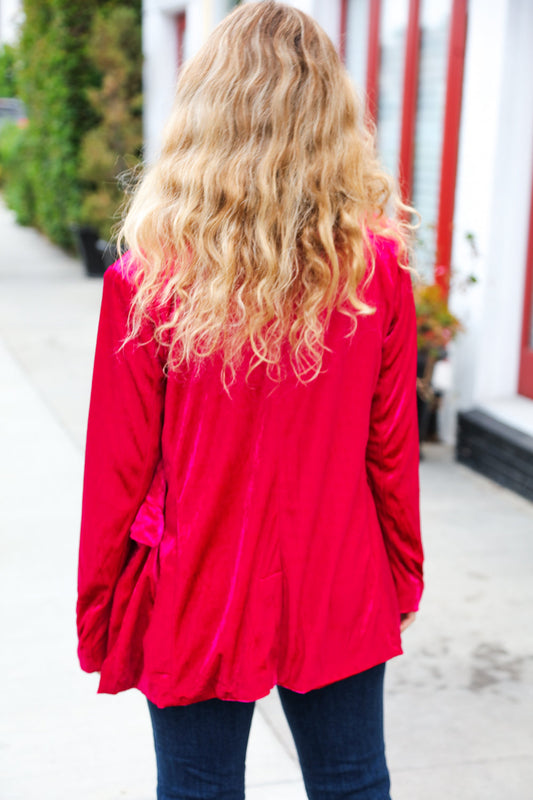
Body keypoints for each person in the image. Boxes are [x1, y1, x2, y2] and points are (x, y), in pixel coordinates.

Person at [76, 2, 424, 799]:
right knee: (351, 782)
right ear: (328, 115)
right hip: (336, 570)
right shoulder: (371, 274)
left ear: (206, 111)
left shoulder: (148, 280)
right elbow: (390, 448)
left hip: (192, 579)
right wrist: (400, 573)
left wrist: (99, 606)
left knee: (197, 790)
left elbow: (117, 470)